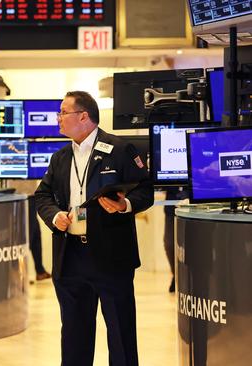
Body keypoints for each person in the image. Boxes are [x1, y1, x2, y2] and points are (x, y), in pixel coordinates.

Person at [33, 91, 153, 366]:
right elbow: (43, 196)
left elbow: (144, 190)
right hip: (70, 256)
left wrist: (125, 206)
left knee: (120, 334)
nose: (58, 118)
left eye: (64, 112)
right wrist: (55, 217)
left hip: (110, 256)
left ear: (83, 116)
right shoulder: (61, 157)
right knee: (74, 335)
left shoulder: (120, 149)